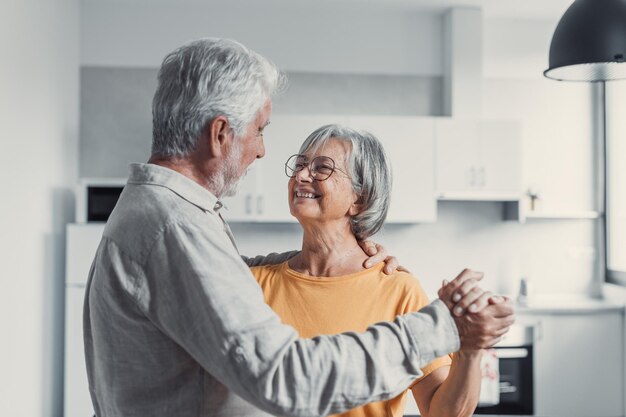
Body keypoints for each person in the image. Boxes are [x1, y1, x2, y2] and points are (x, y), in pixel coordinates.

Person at [83, 37, 515, 417]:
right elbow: (288, 379)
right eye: (258, 130)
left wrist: (329, 260)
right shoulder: (175, 227)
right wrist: (445, 324)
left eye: (322, 167)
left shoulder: (169, 216)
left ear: (360, 198)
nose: (263, 150)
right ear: (219, 134)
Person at [249, 125, 490, 417]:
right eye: (300, 164)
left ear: (359, 199)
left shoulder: (397, 288)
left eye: (321, 168)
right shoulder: (253, 283)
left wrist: (472, 349)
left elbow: (444, 412)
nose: (300, 176)